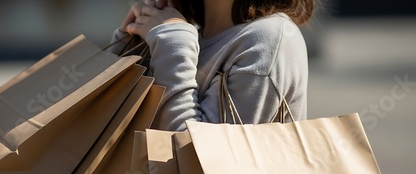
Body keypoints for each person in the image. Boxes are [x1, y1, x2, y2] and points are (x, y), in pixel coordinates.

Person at [110, 0, 315, 131]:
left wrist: (172, 42)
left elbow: (198, 166)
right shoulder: (192, 36)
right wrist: (130, 47)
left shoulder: (268, 39)